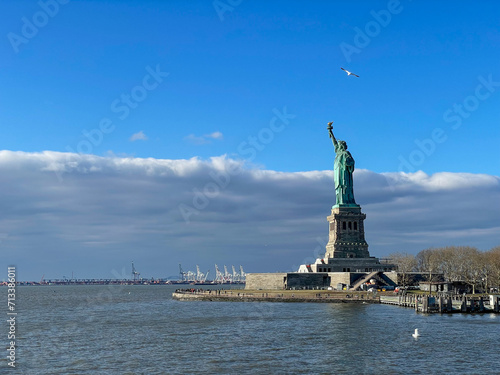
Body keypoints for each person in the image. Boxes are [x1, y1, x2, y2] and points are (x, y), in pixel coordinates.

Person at [327, 122, 357, 206]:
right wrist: (330, 131)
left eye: (340, 145)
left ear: (343, 146)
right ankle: (340, 201)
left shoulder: (346, 153)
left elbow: (351, 162)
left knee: (345, 187)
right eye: (338, 145)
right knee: (339, 188)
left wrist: (347, 162)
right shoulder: (338, 153)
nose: (338, 146)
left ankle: (347, 202)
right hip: (338, 175)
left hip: (344, 175)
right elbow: (334, 142)